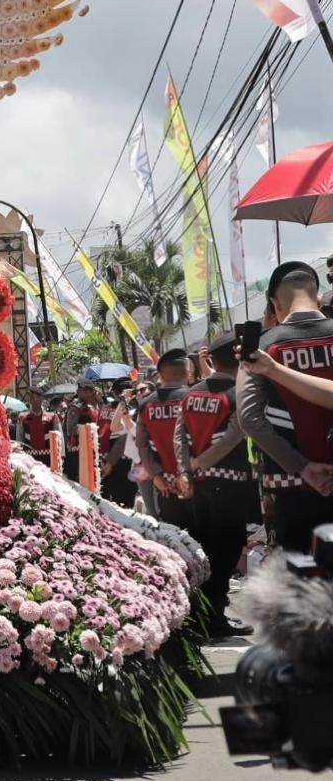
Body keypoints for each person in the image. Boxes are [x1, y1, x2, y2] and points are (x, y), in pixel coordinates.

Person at [236, 261, 333, 551]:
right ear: (318, 298)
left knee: (302, 573)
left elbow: (249, 418)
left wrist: (301, 466)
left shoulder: (261, 349)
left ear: (275, 304)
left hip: (291, 487)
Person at [177, 335, 253, 637]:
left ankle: (202, 613)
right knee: (226, 551)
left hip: (198, 485)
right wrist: (201, 463)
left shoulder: (190, 393)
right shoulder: (238, 393)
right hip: (229, 482)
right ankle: (215, 617)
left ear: (212, 360)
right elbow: (235, 435)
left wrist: (187, 469)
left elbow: (180, 436)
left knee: (205, 549)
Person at [134, 350, 192, 528]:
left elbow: (141, 445)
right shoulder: (193, 398)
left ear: (160, 375)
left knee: (175, 535)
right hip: (194, 482)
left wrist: (155, 476)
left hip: (164, 484)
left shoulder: (145, 405)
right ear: (186, 373)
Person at [17, 390, 52, 461]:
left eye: (37, 397)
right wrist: (19, 456)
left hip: (48, 458)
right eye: (32, 398)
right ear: (29, 400)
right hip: (29, 458)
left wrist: (61, 456)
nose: (35, 400)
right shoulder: (22, 417)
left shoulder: (52, 417)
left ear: (42, 399)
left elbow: (59, 439)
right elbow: (19, 439)